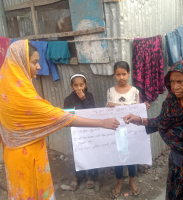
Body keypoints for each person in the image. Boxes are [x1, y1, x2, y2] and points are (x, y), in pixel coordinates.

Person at [0, 40, 119, 200]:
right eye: (35, 62)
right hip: (27, 160)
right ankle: (79, 176)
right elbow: (60, 116)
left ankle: (90, 176)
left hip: (12, 155)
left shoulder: (6, 88)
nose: (39, 66)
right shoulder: (23, 97)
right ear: (20, 61)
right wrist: (102, 123)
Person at [123, 60, 183, 199]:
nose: (175, 87)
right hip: (177, 166)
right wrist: (139, 120)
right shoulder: (172, 101)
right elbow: (162, 122)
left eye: (181, 82)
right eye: (172, 82)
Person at [107, 61, 141, 198]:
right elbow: (108, 113)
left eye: (124, 74)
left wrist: (144, 108)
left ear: (129, 73)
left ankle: (132, 181)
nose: (121, 77)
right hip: (117, 131)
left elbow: (138, 113)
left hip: (132, 131)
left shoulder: (135, 92)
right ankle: (119, 182)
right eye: (118, 74)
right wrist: (108, 107)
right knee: (118, 158)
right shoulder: (110, 91)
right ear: (114, 75)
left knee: (132, 157)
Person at [64, 74, 98, 191]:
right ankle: (78, 176)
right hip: (77, 132)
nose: (79, 88)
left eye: (81, 85)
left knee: (90, 151)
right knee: (78, 153)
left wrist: (84, 99)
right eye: (76, 85)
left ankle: (90, 175)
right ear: (72, 86)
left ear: (85, 85)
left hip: (89, 129)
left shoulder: (89, 96)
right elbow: (67, 117)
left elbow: (92, 112)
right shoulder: (68, 100)